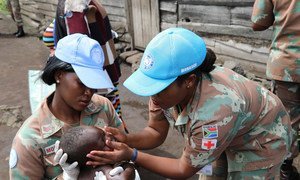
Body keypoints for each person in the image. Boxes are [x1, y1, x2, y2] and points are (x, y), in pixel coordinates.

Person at [85, 28, 292, 179]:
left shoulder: (214, 113)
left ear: (189, 81)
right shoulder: (162, 90)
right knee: (210, 174)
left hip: (261, 138)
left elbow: (183, 169)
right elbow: (156, 131)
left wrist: (133, 154)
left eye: (159, 87)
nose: (152, 96)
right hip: (227, 132)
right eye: (150, 85)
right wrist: (128, 139)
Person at [9, 33, 125, 179]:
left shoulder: (103, 107)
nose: (89, 92)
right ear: (59, 75)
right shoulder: (29, 139)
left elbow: (125, 151)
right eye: (82, 82)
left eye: (94, 83)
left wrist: (125, 170)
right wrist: (66, 178)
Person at [52, 0, 127, 133]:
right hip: (95, 70)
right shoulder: (76, 5)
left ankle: (119, 134)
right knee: (105, 112)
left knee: (109, 113)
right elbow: (79, 48)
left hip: (100, 70)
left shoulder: (81, 4)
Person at [251, 1, 300, 179]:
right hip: (287, 66)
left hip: (288, 64)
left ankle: (285, 167)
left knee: (288, 121)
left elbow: (258, 23)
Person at [59, 125, 138, 180]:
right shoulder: (104, 170)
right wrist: (128, 165)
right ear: (92, 159)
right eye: (103, 141)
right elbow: (123, 177)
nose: (109, 136)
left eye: (104, 133)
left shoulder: (81, 174)